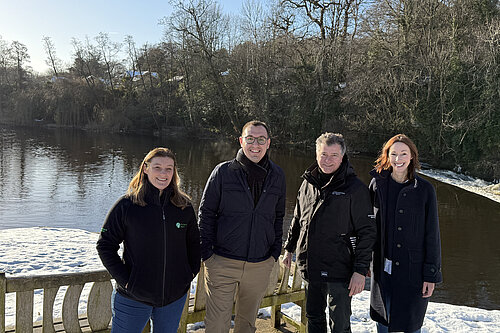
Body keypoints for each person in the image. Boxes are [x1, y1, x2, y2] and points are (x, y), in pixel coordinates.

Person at [96, 147, 201, 333]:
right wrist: (126, 281)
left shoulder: (183, 207)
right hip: (133, 297)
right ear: (145, 168)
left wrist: (188, 274)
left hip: (173, 298)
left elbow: (193, 244)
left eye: (169, 168)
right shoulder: (127, 205)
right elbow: (105, 245)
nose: (163, 173)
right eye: (157, 167)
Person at [283, 132, 376, 333]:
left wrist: (360, 270)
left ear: (342, 157)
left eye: (333, 155)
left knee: (340, 324)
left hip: (341, 268)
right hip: (311, 262)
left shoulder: (355, 189)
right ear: (316, 155)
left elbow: (367, 232)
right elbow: (298, 219)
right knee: (313, 317)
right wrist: (289, 248)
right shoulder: (308, 182)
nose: (327, 160)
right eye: (323, 154)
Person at [199, 120, 286, 333]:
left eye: (261, 139)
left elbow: (278, 216)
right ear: (241, 141)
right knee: (217, 326)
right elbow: (206, 214)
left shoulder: (277, 175)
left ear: (268, 143)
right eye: (250, 139)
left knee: (247, 325)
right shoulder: (223, 173)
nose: (255, 144)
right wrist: (207, 255)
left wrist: (274, 253)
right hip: (222, 262)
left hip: (259, 264)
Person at [369, 134, 442, 333]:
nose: (398, 159)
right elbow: (368, 229)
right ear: (387, 156)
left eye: (403, 154)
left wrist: (431, 275)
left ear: (412, 157)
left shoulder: (425, 190)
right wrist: (363, 262)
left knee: (411, 326)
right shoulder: (377, 185)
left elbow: (432, 235)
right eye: (393, 154)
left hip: (413, 274)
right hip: (382, 272)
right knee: (383, 323)